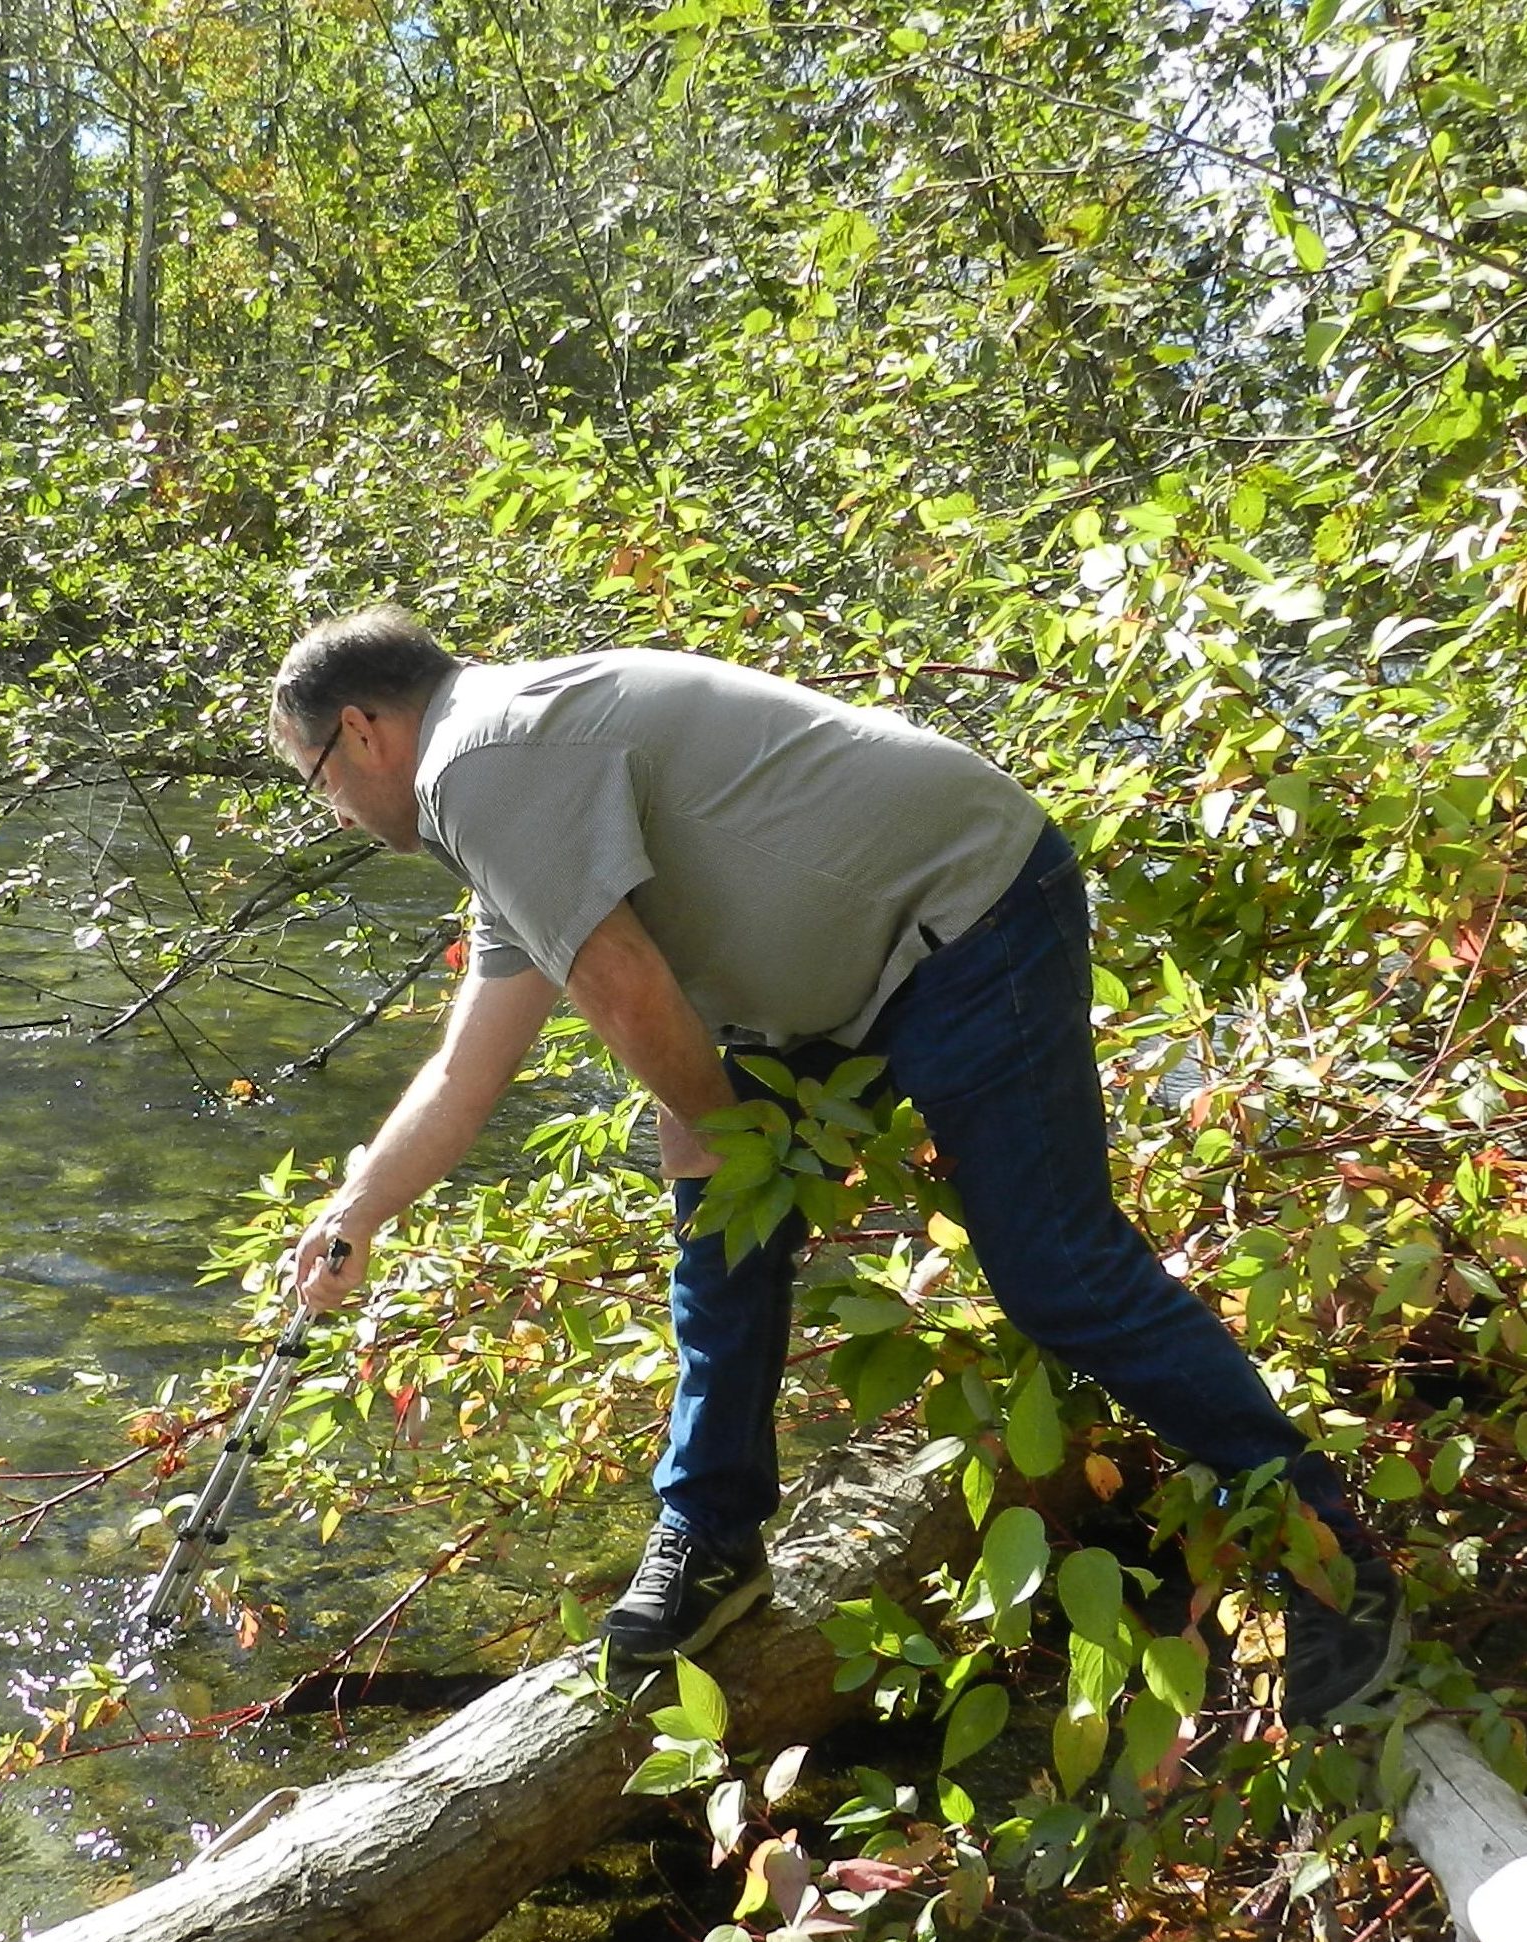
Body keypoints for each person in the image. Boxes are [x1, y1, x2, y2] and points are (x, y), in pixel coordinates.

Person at [271, 604, 1408, 1726]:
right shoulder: (505, 779)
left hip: (970, 915)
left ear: (363, 730)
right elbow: (466, 1069)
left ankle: (1332, 1559)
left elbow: (623, 986)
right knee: (722, 1222)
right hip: (849, 971)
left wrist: (715, 1125)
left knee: (1059, 1272)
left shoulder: (481, 762)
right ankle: (711, 1538)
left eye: (318, 779)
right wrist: (357, 1210)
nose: (336, 810)